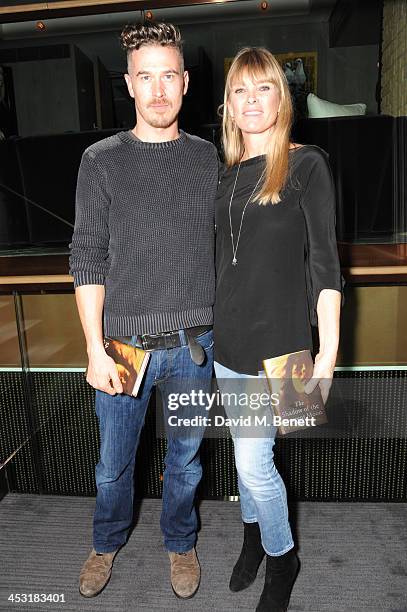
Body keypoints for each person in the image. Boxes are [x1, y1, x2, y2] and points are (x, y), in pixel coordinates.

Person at [69, 21, 218, 600]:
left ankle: (180, 543)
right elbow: (87, 256)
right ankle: (105, 541)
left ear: (184, 82)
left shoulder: (209, 159)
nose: (158, 91)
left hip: (192, 347)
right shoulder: (101, 160)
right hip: (122, 349)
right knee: (113, 467)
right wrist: (92, 349)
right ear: (128, 85)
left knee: (185, 463)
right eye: (145, 77)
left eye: (168, 77)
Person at [213, 47, 342, 611]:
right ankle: (253, 538)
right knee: (247, 458)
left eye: (262, 88)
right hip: (229, 347)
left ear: (281, 98)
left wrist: (329, 357)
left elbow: (327, 270)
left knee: (252, 464)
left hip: (287, 353)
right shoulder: (225, 177)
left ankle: (283, 558)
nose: (250, 100)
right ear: (228, 105)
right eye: (240, 90)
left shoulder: (307, 164)